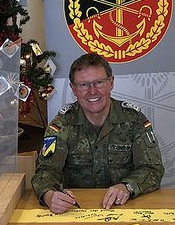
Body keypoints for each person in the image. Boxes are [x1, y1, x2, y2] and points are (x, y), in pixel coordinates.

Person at [32, 53, 165, 214]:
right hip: (76, 211)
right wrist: (49, 195)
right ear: (73, 89)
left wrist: (127, 186)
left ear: (111, 82)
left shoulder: (134, 120)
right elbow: (45, 171)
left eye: (99, 82)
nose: (92, 91)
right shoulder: (62, 124)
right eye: (83, 85)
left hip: (127, 209)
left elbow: (153, 169)